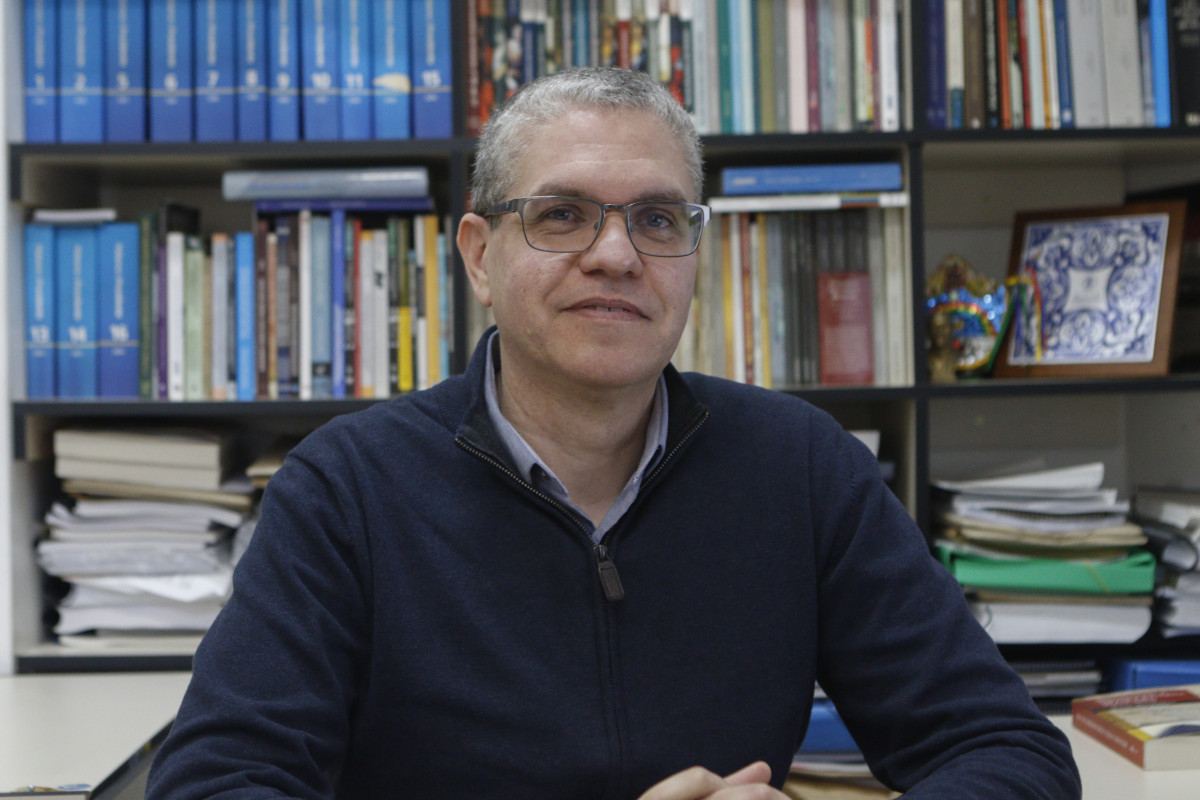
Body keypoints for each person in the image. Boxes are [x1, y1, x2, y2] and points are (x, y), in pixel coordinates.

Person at [146, 67, 1080, 800]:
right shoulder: (346, 489)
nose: (616, 254)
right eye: (562, 215)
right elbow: (215, 783)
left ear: (692, 258)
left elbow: (1006, 749)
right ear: (479, 256)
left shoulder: (801, 466)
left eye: (657, 219)